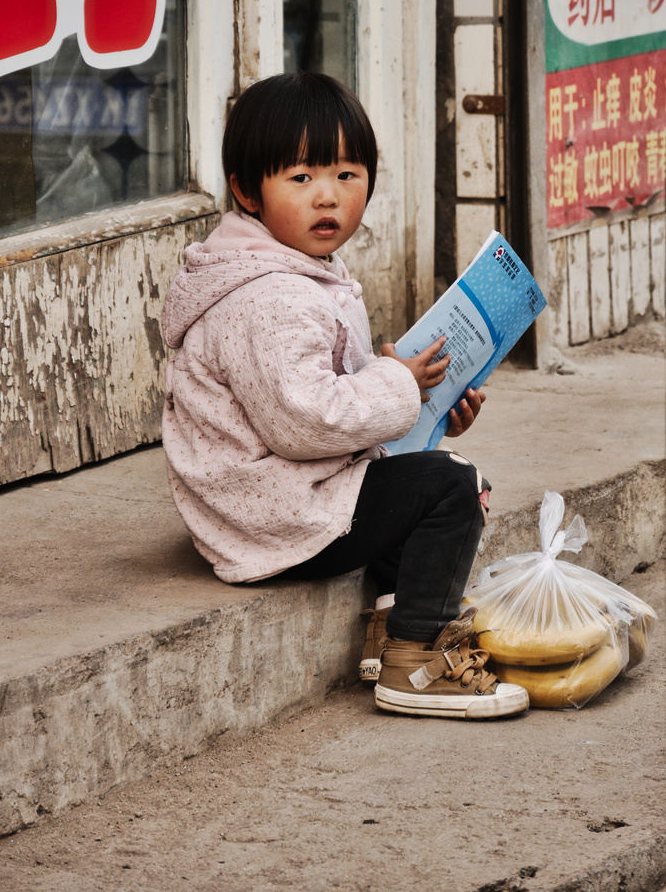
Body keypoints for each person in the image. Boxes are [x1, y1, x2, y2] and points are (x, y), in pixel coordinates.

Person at [161, 72, 529, 720]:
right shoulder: (270, 296)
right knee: (452, 488)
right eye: (300, 179)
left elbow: (327, 407)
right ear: (248, 191)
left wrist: (427, 404)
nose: (326, 197)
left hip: (276, 495)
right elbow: (306, 421)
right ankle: (416, 659)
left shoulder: (296, 273)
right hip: (269, 515)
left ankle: (388, 630)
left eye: (346, 175)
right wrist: (394, 386)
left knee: (416, 476)